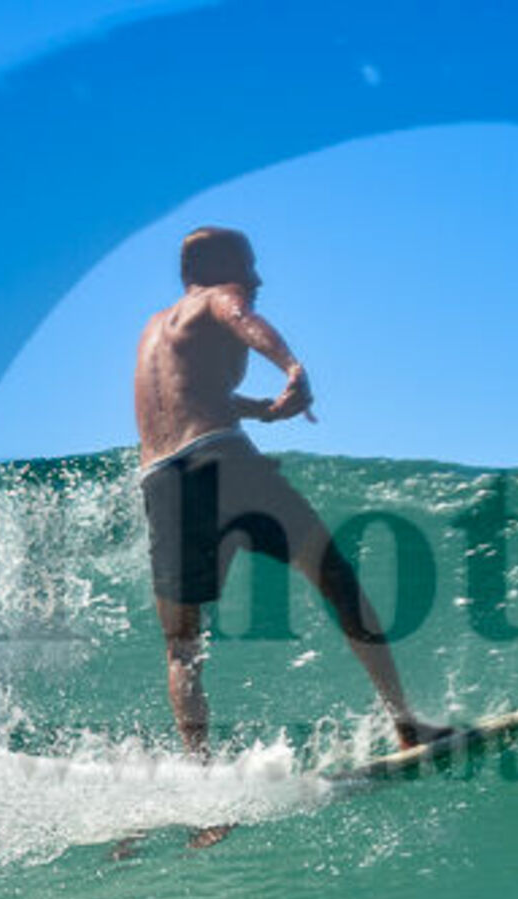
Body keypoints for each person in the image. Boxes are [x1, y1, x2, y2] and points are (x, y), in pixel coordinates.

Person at [134, 227, 446, 774]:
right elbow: (241, 317)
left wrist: (261, 410)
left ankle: (201, 775)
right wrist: (291, 366)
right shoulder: (216, 298)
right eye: (246, 266)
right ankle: (405, 724)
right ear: (212, 270)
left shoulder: (153, 332)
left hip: (160, 480)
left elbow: (192, 396)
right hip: (219, 461)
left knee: (182, 647)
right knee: (336, 579)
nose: (255, 279)